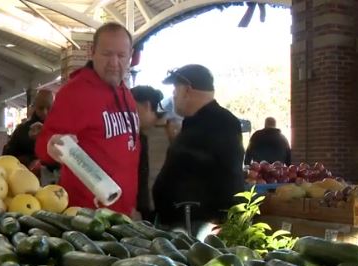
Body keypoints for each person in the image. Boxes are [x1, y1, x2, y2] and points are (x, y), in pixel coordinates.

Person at [35, 22, 140, 215]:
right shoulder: (74, 93)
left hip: (123, 213)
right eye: (107, 54)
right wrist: (52, 146)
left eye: (121, 55)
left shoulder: (126, 92)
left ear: (130, 56)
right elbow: (43, 145)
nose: (114, 63)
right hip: (86, 216)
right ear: (92, 52)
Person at [152, 64, 245, 233]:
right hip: (183, 223)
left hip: (200, 227)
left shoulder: (221, 123)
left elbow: (231, 174)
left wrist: (222, 220)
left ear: (187, 90)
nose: (173, 95)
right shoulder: (194, 123)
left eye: (175, 90)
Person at [131, 85, 170, 222]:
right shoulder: (132, 133)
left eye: (132, 108)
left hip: (166, 210)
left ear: (147, 106)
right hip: (139, 209)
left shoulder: (170, 130)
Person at [4, 90, 54, 167]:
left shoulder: (61, 128)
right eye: (41, 108)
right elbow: (7, 157)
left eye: (49, 108)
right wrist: (28, 160)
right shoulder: (22, 130)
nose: (45, 112)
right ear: (34, 107)